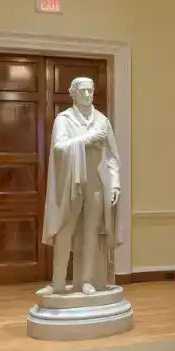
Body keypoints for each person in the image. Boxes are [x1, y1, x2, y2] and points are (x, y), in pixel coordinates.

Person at [39, 77, 122, 296]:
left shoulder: (102, 121)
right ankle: (58, 282)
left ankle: (86, 280)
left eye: (90, 91)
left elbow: (112, 156)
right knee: (64, 230)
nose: (87, 95)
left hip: (96, 183)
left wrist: (115, 184)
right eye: (83, 91)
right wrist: (88, 139)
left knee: (91, 232)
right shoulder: (64, 119)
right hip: (71, 182)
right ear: (73, 94)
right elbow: (59, 147)